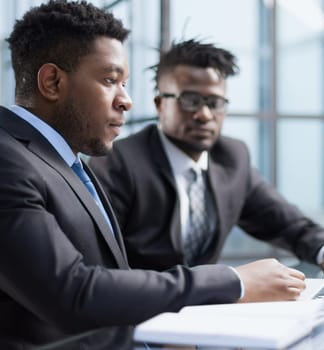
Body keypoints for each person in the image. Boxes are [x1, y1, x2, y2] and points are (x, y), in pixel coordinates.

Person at [0, 1, 306, 348]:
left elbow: (111, 282)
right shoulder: (8, 159)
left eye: (125, 83)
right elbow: (73, 293)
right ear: (53, 82)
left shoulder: (67, 160)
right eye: (110, 80)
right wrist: (232, 281)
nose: (127, 101)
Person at [89, 39, 324, 279]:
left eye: (215, 102)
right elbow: (102, 272)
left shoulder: (232, 158)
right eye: (190, 100)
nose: (204, 115)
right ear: (160, 104)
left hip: (206, 320)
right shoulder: (118, 162)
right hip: (137, 324)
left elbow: (288, 224)